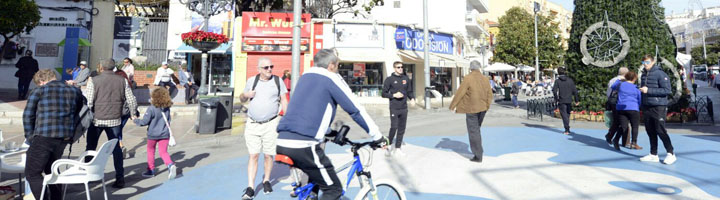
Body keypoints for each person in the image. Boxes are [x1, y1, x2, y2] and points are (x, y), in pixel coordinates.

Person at [275, 49, 388, 200]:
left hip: (283, 140)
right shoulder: (332, 78)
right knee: (334, 190)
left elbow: (309, 112)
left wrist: (329, 133)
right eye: (338, 65)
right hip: (303, 144)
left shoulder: (305, 77)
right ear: (331, 65)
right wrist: (378, 136)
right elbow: (355, 111)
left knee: (317, 179)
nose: (338, 69)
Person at [23, 69, 85, 200]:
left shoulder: (39, 91)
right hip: (64, 137)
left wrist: (30, 136)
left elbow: (28, 115)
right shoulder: (74, 90)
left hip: (43, 136)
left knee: (32, 173)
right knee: (52, 170)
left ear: (41, 81)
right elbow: (80, 110)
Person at [240, 57, 289, 199]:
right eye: (266, 67)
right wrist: (246, 95)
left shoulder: (277, 81)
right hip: (253, 124)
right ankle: (250, 187)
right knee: (253, 155)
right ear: (259, 69)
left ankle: (266, 180)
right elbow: (242, 98)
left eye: (271, 67)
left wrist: (285, 118)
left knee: (268, 155)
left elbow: (284, 99)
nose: (269, 70)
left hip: (271, 123)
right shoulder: (251, 81)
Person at [85, 59, 138, 188]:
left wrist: (88, 115)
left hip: (96, 119)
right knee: (116, 149)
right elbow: (131, 99)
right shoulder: (122, 80)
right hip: (115, 119)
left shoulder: (94, 80)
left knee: (91, 147)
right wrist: (133, 113)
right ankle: (120, 178)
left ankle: (89, 175)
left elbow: (89, 101)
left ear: (101, 67)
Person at [449, 61, 493, 163]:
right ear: (479, 68)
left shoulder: (468, 78)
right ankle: (479, 151)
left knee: (473, 131)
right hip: (483, 108)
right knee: (477, 130)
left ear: (470, 68)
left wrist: (452, 106)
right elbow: (490, 94)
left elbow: (460, 92)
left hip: (472, 109)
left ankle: (478, 155)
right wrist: (487, 106)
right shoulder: (485, 78)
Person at [638, 55, 676, 164]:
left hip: (658, 106)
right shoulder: (644, 75)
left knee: (660, 130)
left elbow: (667, 90)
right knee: (650, 130)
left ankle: (671, 153)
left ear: (653, 61)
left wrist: (648, 90)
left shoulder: (660, 74)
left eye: (648, 62)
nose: (645, 64)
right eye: (643, 62)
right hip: (647, 106)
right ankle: (653, 154)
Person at [134, 88, 178, 180]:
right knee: (163, 152)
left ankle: (151, 170)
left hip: (153, 135)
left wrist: (135, 120)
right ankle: (170, 165)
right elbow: (168, 120)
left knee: (151, 151)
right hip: (164, 133)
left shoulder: (151, 108)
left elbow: (144, 122)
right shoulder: (167, 108)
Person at [381, 61, 415, 156]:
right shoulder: (389, 79)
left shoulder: (405, 78)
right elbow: (383, 94)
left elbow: (409, 91)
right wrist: (394, 95)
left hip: (404, 107)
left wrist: (412, 98)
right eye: (398, 67)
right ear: (394, 68)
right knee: (394, 127)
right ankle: (388, 144)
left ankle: (398, 148)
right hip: (394, 107)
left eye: (402, 67)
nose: (401, 69)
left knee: (401, 128)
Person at [611, 71, 643, 151]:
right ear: (634, 78)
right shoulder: (636, 88)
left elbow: (613, 86)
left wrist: (619, 79)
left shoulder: (621, 84)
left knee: (623, 126)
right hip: (633, 108)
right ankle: (633, 143)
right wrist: (638, 106)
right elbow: (639, 99)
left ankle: (616, 139)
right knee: (634, 126)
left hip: (621, 107)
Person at [115, 70, 139, 157]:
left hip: (117, 111)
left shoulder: (116, 85)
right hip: (126, 112)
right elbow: (132, 100)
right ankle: (119, 145)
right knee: (119, 129)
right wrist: (133, 113)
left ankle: (120, 146)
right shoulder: (128, 84)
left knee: (116, 129)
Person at [604, 67, 629, 146]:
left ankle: (610, 135)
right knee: (623, 121)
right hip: (620, 102)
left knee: (617, 120)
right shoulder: (625, 81)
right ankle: (625, 141)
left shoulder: (612, 80)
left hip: (613, 102)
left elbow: (608, 92)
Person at [552, 67, 580, 135]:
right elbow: (575, 91)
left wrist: (556, 99)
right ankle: (567, 128)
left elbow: (554, 91)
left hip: (561, 100)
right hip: (569, 100)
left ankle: (567, 129)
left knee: (564, 115)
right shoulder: (570, 80)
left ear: (558, 73)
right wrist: (576, 100)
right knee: (567, 114)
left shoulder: (557, 81)